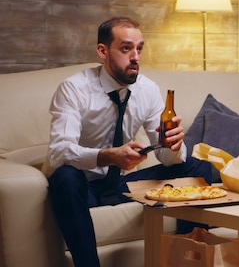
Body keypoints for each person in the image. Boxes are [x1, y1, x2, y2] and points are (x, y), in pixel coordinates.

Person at [45, 17, 212, 267]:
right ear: (103, 51)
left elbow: (167, 159)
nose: (135, 57)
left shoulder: (147, 90)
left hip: (120, 184)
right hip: (84, 188)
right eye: (126, 48)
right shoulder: (74, 89)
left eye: (139, 48)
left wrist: (174, 146)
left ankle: (187, 260)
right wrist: (108, 156)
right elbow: (59, 152)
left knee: (199, 169)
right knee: (66, 177)